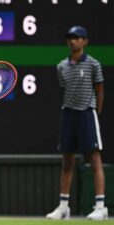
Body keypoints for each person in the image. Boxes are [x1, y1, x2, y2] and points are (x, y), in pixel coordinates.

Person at [46, 26, 108, 220]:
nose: (73, 41)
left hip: (87, 115)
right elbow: (66, 89)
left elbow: (99, 91)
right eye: (70, 38)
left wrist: (94, 113)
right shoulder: (61, 67)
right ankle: (63, 207)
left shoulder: (93, 64)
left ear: (84, 41)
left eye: (77, 38)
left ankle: (100, 207)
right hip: (68, 115)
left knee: (95, 159)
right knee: (67, 161)